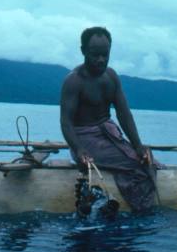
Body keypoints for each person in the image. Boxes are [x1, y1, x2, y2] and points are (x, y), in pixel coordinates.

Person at [60, 26, 160, 213]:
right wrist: (79, 149)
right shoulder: (74, 81)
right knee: (137, 165)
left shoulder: (111, 77)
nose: (101, 60)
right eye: (94, 55)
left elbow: (124, 114)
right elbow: (66, 122)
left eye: (105, 55)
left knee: (147, 160)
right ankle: (140, 209)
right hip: (85, 139)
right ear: (83, 51)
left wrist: (138, 145)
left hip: (108, 135)